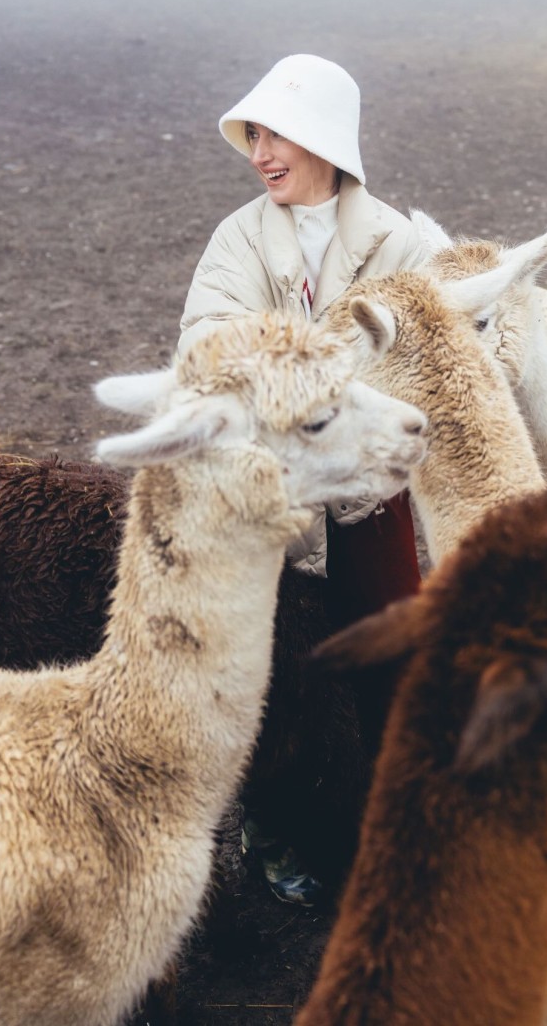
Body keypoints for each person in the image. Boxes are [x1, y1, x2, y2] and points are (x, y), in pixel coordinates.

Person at [179, 53, 426, 903]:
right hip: (273, 488)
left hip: (367, 487)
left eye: (274, 134)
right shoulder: (239, 239)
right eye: (253, 136)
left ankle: (390, 823)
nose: (259, 153)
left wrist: (327, 387)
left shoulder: (401, 242)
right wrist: (311, 374)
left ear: (322, 135)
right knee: (275, 658)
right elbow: (205, 342)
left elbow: (433, 355)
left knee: (389, 645)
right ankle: (278, 829)